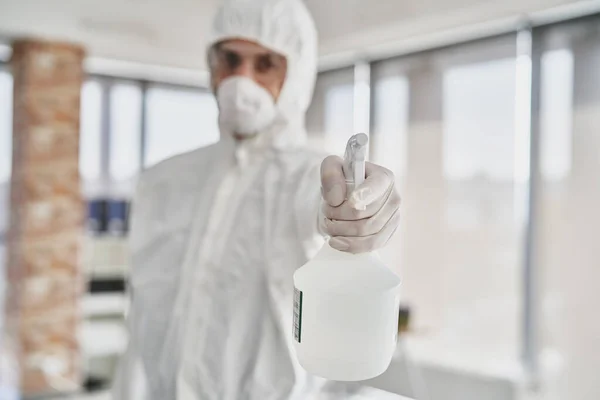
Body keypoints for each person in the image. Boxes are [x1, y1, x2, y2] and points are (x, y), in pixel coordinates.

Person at [113, 0, 402, 398]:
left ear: (296, 75)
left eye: (264, 64)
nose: (240, 80)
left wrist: (350, 212)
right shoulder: (163, 181)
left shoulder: (306, 176)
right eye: (230, 59)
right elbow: (141, 321)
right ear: (212, 66)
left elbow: (318, 208)